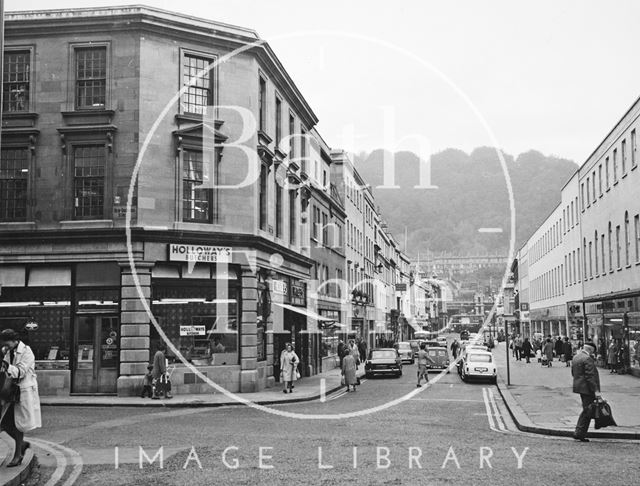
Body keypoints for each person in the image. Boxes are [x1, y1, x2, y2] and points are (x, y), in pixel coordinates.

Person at [0, 329, 41, 467]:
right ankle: (21, 445)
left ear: (14, 340)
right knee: (4, 423)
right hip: (11, 392)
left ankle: (18, 455)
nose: (5, 346)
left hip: (22, 392)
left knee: (17, 425)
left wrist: (5, 365)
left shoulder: (27, 352)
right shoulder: (8, 351)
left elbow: (20, 372)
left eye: (7, 343)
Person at [571, 341, 600, 442]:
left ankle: (579, 432)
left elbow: (573, 373)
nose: (593, 353)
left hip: (579, 387)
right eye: (593, 351)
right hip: (587, 388)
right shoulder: (587, 358)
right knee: (587, 410)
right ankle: (579, 433)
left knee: (587, 409)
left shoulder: (576, 357)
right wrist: (595, 390)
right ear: (590, 350)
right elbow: (590, 376)